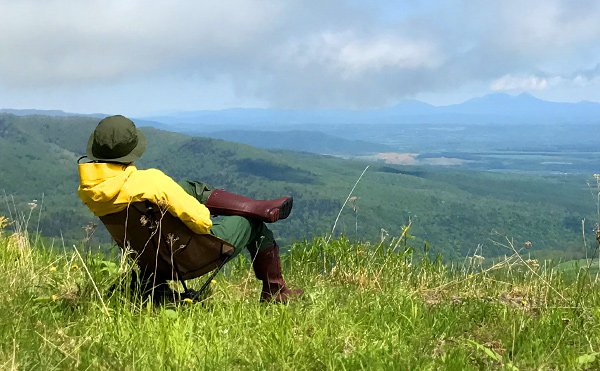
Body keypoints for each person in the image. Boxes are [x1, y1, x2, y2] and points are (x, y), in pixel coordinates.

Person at [77, 115, 303, 303]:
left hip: (152, 259)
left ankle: (256, 207)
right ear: (132, 150)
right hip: (189, 256)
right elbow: (203, 221)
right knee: (254, 224)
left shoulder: (90, 190)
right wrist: (203, 212)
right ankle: (275, 292)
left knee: (187, 187)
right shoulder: (151, 182)